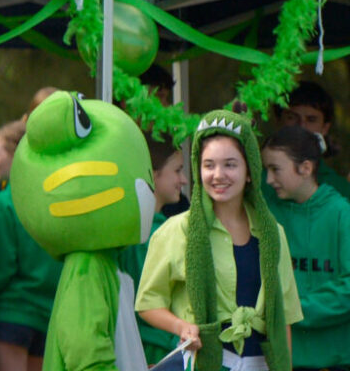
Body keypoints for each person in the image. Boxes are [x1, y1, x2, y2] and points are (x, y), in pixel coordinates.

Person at [136, 110, 302, 371]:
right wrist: (181, 326)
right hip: (206, 362)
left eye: (230, 164)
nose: (218, 175)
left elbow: (284, 317)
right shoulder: (177, 230)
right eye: (209, 165)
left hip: (262, 364)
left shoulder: (273, 233)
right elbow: (148, 304)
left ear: (250, 171)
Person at [259, 127, 350, 371]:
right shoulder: (268, 213)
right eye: (266, 169)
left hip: (336, 360)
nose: (268, 180)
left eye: (275, 169)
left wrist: (292, 309)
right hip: (282, 358)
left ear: (306, 168)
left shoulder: (342, 213)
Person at [0, 120, 58, 371]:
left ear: (16, 153)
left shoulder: (2, 204)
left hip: (10, 316)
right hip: (48, 316)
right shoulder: (55, 202)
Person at [120, 140, 189, 366]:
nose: (184, 180)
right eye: (177, 170)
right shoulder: (148, 235)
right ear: (153, 174)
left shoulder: (142, 228)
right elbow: (149, 295)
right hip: (154, 347)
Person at [274, 82, 350, 199]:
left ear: (325, 128)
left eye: (311, 119)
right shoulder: (254, 180)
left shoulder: (339, 188)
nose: (301, 126)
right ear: (279, 122)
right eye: (292, 117)